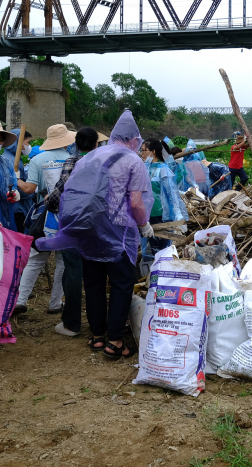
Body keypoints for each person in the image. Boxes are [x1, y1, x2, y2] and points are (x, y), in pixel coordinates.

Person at [35, 110, 152, 359]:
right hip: (118, 233)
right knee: (121, 285)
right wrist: (143, 225)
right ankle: (115, 341)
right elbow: (136, 202)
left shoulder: (90, 158)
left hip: (89, 230)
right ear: (133, 138)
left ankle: (98, 336)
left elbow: (71, 193)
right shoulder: (133, 160)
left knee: (95, 283)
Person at [43, 126, 99, 338]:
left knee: (73, 271)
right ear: (96, 144)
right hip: (98, 226)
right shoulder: (103, 162)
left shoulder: (72, 162)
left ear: (76, 143)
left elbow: (58, 193)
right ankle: (97, 325)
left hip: (73, 225)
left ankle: (72, 324)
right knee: (96, 273)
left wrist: (52, 204)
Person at [16, 124, 76, 315]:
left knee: (35, 259)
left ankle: (20, 300)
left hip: (44, 215)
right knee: (62, 262)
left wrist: (16, 179)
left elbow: (29, 189)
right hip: (68, 216)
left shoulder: (37, 159)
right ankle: (55, 303)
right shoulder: (73, 160)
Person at [142, 138, 190, 261]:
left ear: (152, 152)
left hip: (161, 215)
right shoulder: (144, 168)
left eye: (144, 150)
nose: (141, 153)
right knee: (153, 248)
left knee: (162, 250)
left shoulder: (163, 170)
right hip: (146, 216)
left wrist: (179, 215)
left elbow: (172, 194)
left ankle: (161, 273)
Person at [5, 127, 34, 232]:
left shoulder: (9, 157)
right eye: (27, 142)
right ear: (18, 142)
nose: (28, 146)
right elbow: (15, 186)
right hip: (17, 207)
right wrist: (32, 191)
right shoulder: (12, 161)